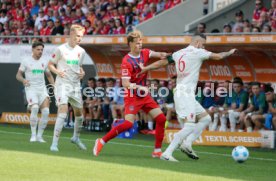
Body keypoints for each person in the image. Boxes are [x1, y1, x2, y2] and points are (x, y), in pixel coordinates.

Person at [137, 34, 237, 161]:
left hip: (184, 93)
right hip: (185, 94)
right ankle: (167, 153)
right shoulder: (198, 51)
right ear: (197, 42)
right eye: (203, 44)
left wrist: (146, 68)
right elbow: (218, 56)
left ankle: (187, 144)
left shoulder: (179, 53)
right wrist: (229, 52)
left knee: (205, 119)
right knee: (189, 125)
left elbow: (162, 63)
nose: (204, 46)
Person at [93, 30, 170, 158]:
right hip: (132, 95)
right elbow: (125, 83)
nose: (140, 45)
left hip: (144, 95)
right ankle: (101, 141)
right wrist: (140, 87)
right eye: (137, 43)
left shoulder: (145, 53)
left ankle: (157, 150)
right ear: (130, 44)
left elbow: (156, 54)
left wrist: (163, 54)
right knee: (129, 123)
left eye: (141, 42)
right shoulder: (126, 61)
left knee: (161, 119)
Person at [48, 24, 87, 152]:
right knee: (63, 112)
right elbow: (50, 65)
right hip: (62, 84)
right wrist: (57, 72)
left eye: (81, 36)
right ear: (71, 34)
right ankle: (54, 144)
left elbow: (79, 67)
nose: (79, 39)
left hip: (75, 85)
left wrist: (83, 72)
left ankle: (76, 137)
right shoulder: (60, 49)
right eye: (77, 36)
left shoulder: (81, 52)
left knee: (79, 114)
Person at [16, 41, 54, 142]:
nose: (40, 51)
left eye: (42, 50)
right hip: (31, 89)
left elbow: (49, 75)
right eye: (38, 49)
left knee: (46, 112)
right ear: (33, 49)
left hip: (42, 89)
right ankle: (33, 135)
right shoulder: (26, 61)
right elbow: (18, 75)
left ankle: (39, 136)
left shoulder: (45, 61)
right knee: (35, 108)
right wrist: (23, 80)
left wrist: (54, 86)